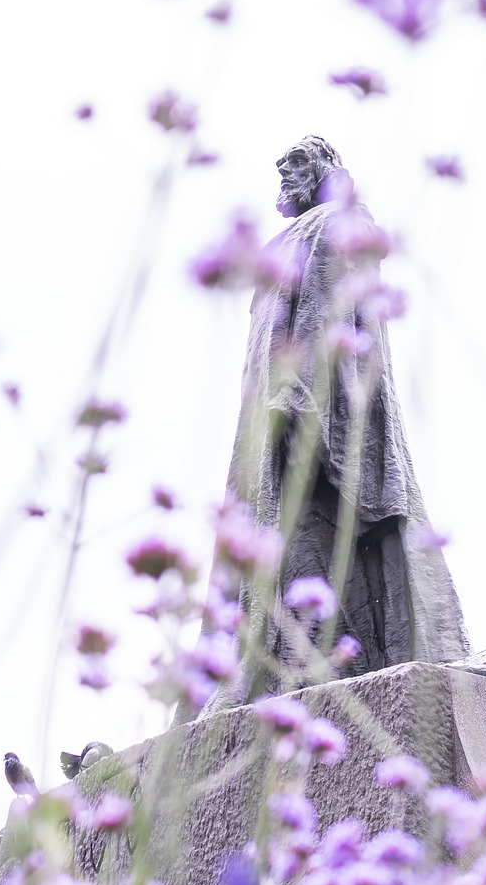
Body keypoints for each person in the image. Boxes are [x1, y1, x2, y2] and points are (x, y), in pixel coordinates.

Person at [187, 135, 469, 719]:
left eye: (294, 165)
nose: (282, 177)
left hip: (311, 412)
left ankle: (331, 670)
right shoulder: (284, 241)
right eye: (280, 168)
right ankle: (278, 671)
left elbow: (327, 310)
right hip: (264, 421)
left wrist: (302, 401)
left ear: (324, 171)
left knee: (314, 539)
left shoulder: (336, 223)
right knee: (276, 548)